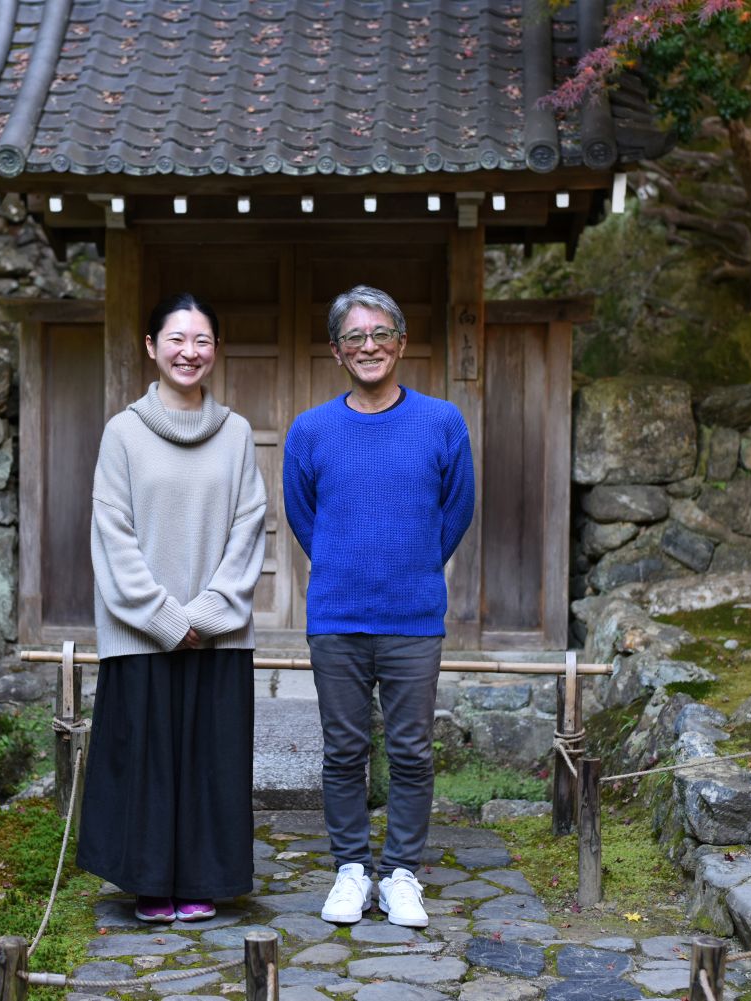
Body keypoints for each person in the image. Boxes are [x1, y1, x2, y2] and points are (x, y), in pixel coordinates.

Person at [282, 285, 475, 929]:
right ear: (337, 352)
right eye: (354, 337)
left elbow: (457, 511)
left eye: (380, 333)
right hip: (336, 614)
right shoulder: (310, 431)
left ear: (402, 342)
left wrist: (416, 562)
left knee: (413, 750)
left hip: (413, 615)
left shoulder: (442, 420)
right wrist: (342, 562)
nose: (368, 346)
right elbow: (303, 516)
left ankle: (401, 874)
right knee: (343, 749)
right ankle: (350, 869)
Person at [75, 292, 267, 924]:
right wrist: (166, 619)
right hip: (141, 634)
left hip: (218, 636)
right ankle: (149, 882)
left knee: (211, 761)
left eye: (203, 340)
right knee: (147, 763)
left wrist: (207, 617)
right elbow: (112, 534)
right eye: (177, 340)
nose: (191, 352)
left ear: (216, 350)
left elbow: (249, 531)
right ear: (152, 348)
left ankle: (204, 880)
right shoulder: (123, 432)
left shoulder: (237, 434)